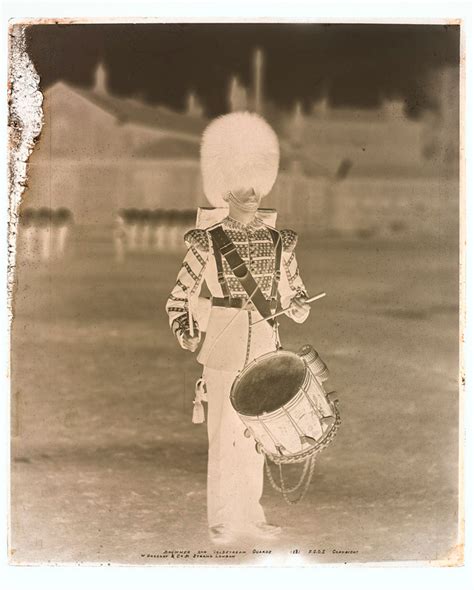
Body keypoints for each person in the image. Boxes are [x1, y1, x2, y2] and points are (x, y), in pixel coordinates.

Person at [165, 112, 311, 544]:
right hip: (223, 353)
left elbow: (296, 301)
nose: (249, 195)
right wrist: (186, 331)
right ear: (224, 189)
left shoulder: (279, 242)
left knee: (257, 440)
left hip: (266, 352)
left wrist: (298, 305)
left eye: (254, 186)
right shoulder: (206, 242)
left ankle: (252, 514)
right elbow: (178, 299)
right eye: (240, 187)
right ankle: (222, 519)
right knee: (224, 440)